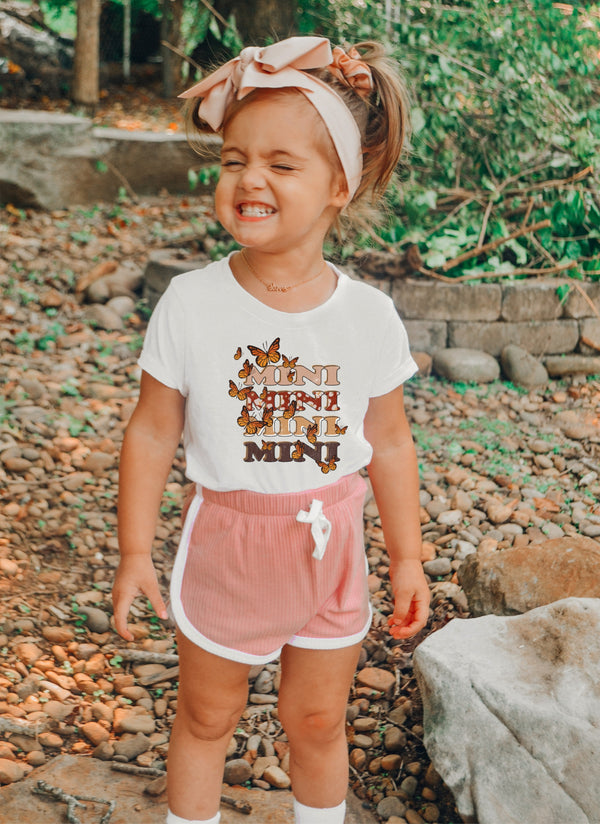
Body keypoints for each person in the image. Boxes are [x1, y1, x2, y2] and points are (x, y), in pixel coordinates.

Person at [112, 35, 430, 824]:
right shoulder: (192, 304)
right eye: (234, 160)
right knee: (206, 718)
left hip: (332, 549)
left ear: (338, 187)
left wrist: (408, 558)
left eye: (282, 165)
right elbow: (151, 432)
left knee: (317, 721)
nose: (250, 178)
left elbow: (390, 443)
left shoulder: (368, 317)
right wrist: (133, 552)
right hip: (229, 549)